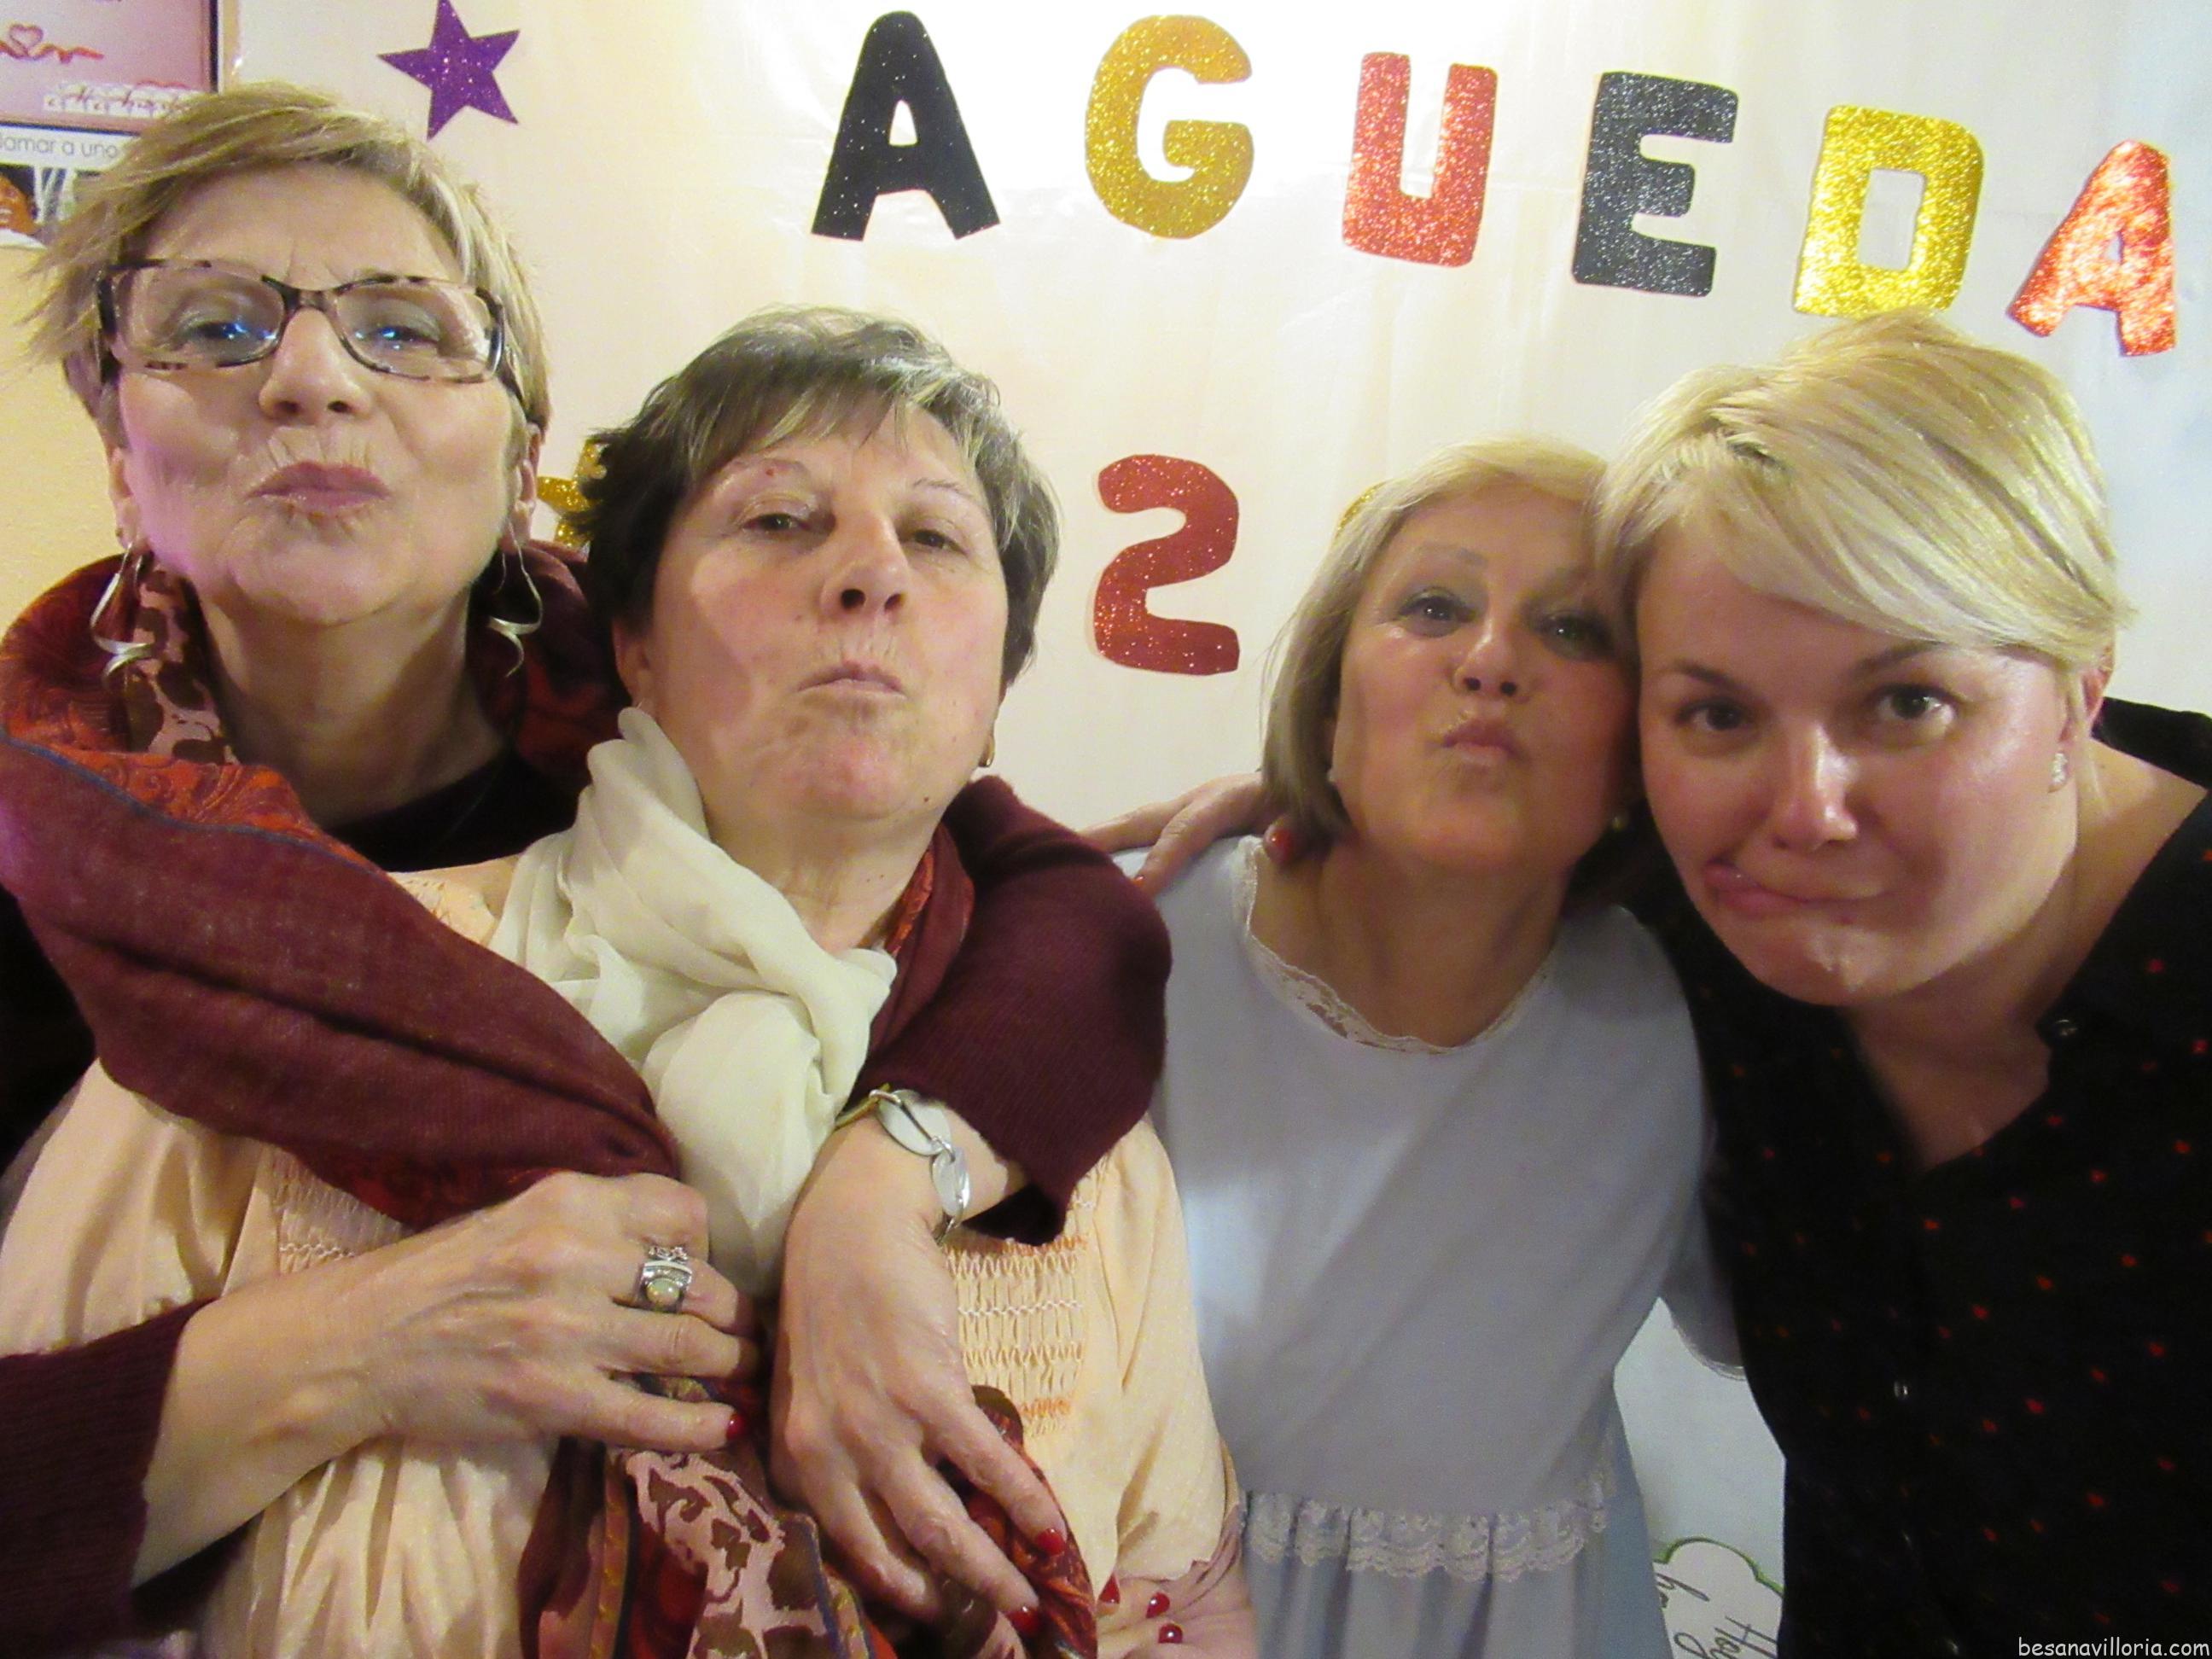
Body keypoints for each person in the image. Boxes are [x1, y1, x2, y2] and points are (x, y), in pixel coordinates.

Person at [0, 84, 1164, 1655]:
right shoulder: (47, 831)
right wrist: (357, 1346)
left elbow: (1060, 914)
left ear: (519, 456)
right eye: (214, 326)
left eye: (402, 329)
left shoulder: (658, 711)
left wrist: (884, 1186)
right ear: (115, 444)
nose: (309, 377)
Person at [1590, 311, 2211, 1653]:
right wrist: (1326, 812)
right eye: (1718, 714)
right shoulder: (1690, 932)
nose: (1804, 810)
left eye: (1908, 703)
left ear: (2079, 691)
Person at [1126, 439, 1727, 1657]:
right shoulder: (1118, 947)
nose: (1491, 661)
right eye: (1435, 608)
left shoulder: (1690, 1015)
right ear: (1329, 700)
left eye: (1572, 630)